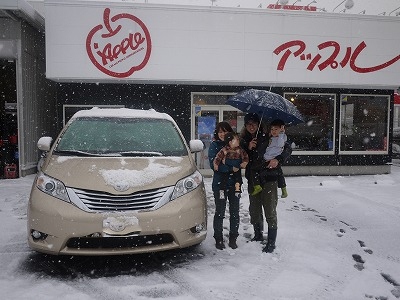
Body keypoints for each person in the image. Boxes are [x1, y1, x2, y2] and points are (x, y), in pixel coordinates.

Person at [240, 114, 292, 253]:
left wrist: (278, 159)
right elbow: (239, 156)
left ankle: (271, 242)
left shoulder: (270, 136)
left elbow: (287, 149)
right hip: (253, 179)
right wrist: (248, 147)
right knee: (254, 210)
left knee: (269, 210)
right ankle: (258, 235)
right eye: (248, 124)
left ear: (259, 125)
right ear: (245, 126)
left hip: (269, 178)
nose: (251, 126)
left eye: (254, 124)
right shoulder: (242, 140)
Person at [208, 122, 242, 250]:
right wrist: (230, 168)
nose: (222, 134)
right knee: (220, 212)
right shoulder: (214, 145)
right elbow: (214, 165)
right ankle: (218, 238)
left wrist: (226, 163)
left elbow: (241, 161)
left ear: (230, 132)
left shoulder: (236, 145)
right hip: (220, 185)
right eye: (220, 131)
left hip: (236, 184)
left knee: (235, 212)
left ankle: (233, 237)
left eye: (225, 131)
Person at [251, 119, 288, 198]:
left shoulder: (282, 138)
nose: (273, 131)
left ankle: (283, 189)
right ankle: (258, 186)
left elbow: (281, 145)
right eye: (272, 129)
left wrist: (281, 133)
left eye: (276, 129)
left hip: (271, 161)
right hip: (265, 159)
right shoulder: (269, 137)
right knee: (257, 170)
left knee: (278, 174)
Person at [213, 132, 249, 197]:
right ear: (230, 142)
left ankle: (237, 190)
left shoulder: (240, 150)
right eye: (236, 140)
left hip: (237, 166)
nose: (238, 141)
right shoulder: (225, 149)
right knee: (224, 179)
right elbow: (218, 157)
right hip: (227, 167)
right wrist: (216, 164)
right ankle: (222, 190)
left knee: (238, 178)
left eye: (238, 139)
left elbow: (245, 156)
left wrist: (244, 162)